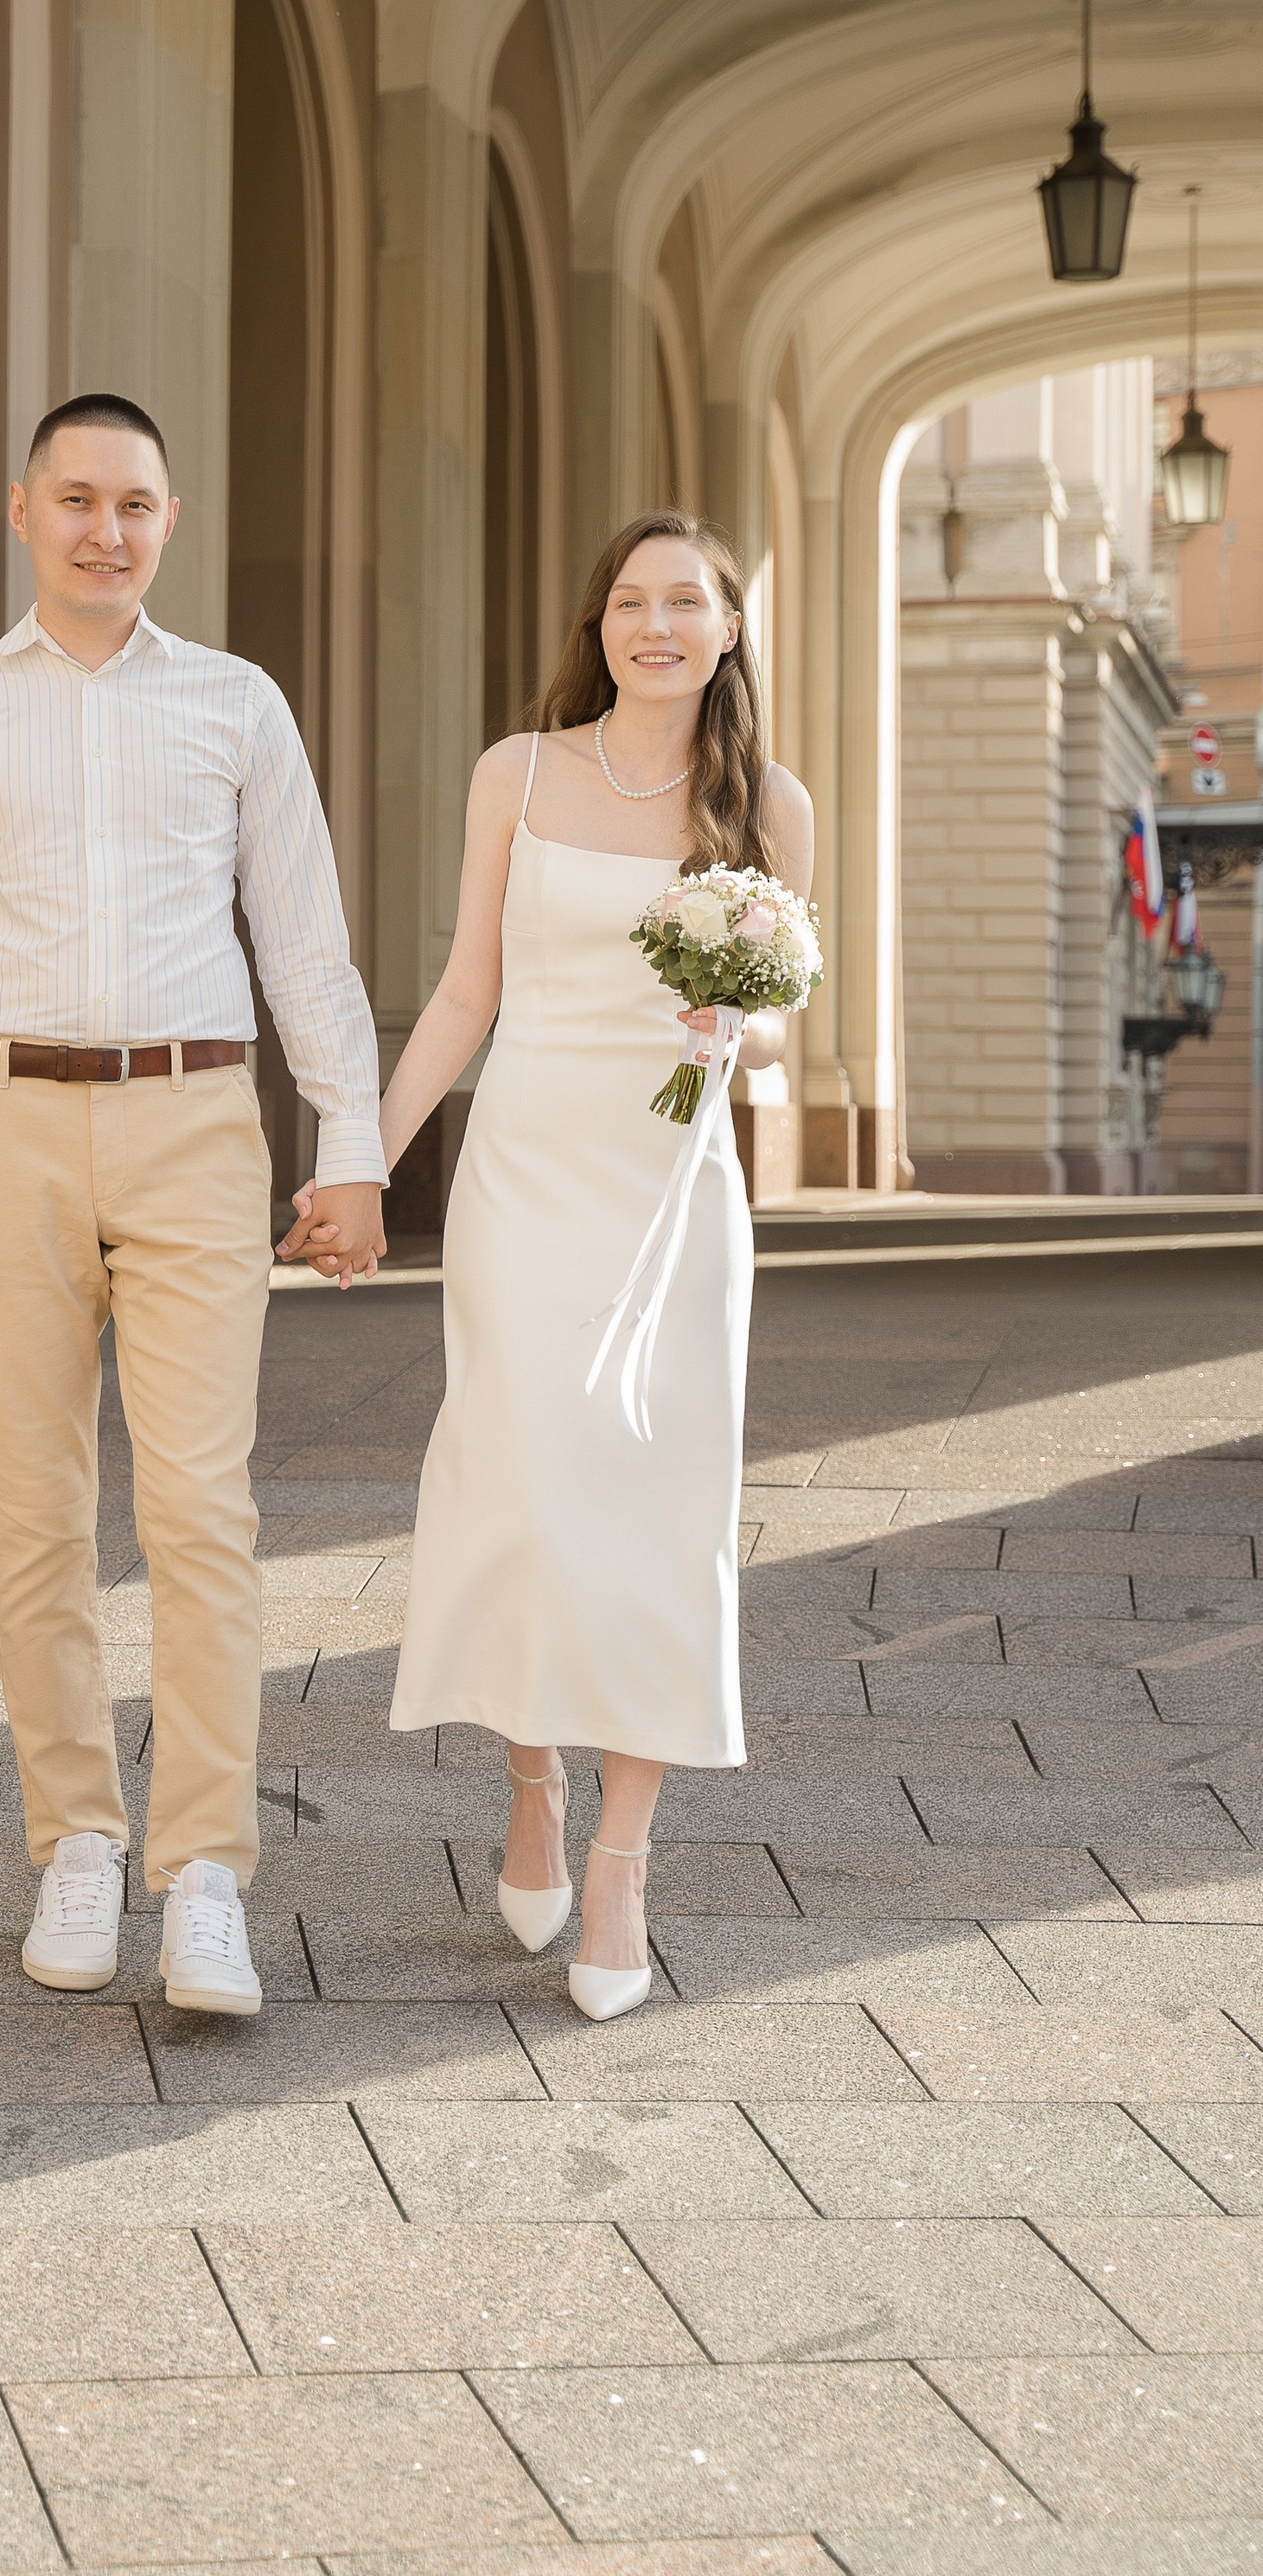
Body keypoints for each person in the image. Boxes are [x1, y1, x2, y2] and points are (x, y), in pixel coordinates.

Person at [0, 393, 386, 2016]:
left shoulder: (237, 706)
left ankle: (203, 1869)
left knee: (203, 1512)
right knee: (34, 1513)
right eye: (76, 499)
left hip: (194, 1122)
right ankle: (76, 1843)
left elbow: (304, 941)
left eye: (136, 504)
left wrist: (346, 1143)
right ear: (23, 513)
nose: (106, 529)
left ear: (170, 522)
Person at [297, 512, 810, 2021]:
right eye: (630, 602)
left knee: (656, 1504)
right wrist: (360, 1160)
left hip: (675, 1193)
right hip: (525, 1181)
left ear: (726, 630)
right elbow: (466, 993)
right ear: (597, 625)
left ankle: (623, 1859)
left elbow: (788, 1003)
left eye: (687, 603)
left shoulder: (762, 799)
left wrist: (747, 1026)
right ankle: (530, 1769)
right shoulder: (515, 776)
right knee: (523, 1486)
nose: (655, 625)